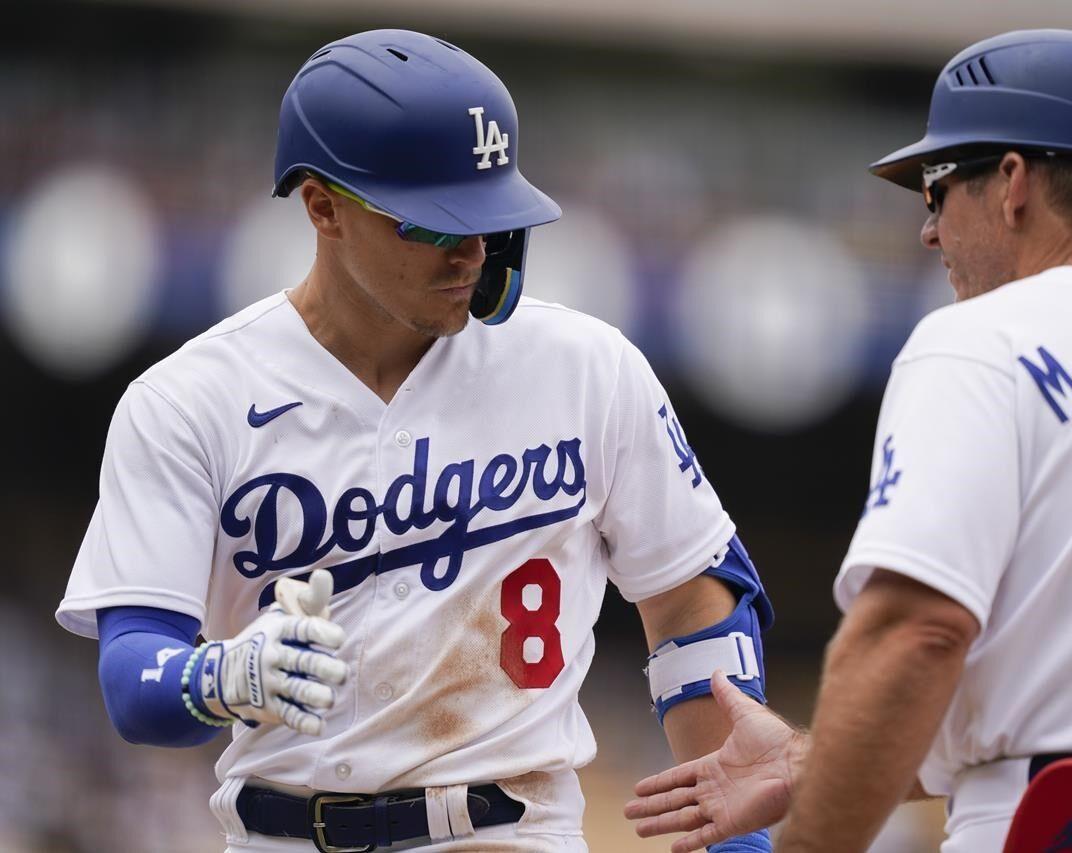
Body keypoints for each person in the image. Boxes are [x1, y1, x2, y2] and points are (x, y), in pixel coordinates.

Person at [54, 29, 773, 853]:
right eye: (432, 224)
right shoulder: (189, 400)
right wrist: (218, 676)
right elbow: (133, 678)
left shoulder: (587, 368)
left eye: (488, 217)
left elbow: (691, 600)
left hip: (514, 829)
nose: (472, 251)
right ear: (322, 206)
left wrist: (737, 841)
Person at [624, 28, 1072, 853]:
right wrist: (808, 759)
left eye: (936, 188)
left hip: (1065, 825)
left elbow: (916, 634)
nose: (929, 230)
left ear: (1011, 182)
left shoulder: (983, 339)